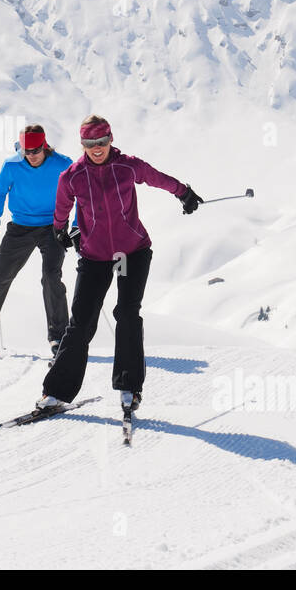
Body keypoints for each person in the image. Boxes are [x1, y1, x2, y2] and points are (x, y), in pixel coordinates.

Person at [36, 115, 203, 413]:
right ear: (82, 144)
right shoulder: (72, 176)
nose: (96, 148)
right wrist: (60, 230)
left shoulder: (127, 166)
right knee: (80, 323)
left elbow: (157, 177)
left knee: (126, 312)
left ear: (110, 139)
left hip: (130, 253)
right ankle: (56, 392)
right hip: (95, 257)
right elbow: (62, 205)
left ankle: (129, 387)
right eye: (90, 143)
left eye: (101, 142)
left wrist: (184, 192)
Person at [0, 124, 74, 355]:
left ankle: (59, 337)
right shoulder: (12, 165)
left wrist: (75, 226)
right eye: (26, 152)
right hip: (20, 227)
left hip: (53, 226)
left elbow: (81, 193)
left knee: (51, 276)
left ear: (45, 146)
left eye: (36, 150)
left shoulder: (63, 164)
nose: (32, 156)